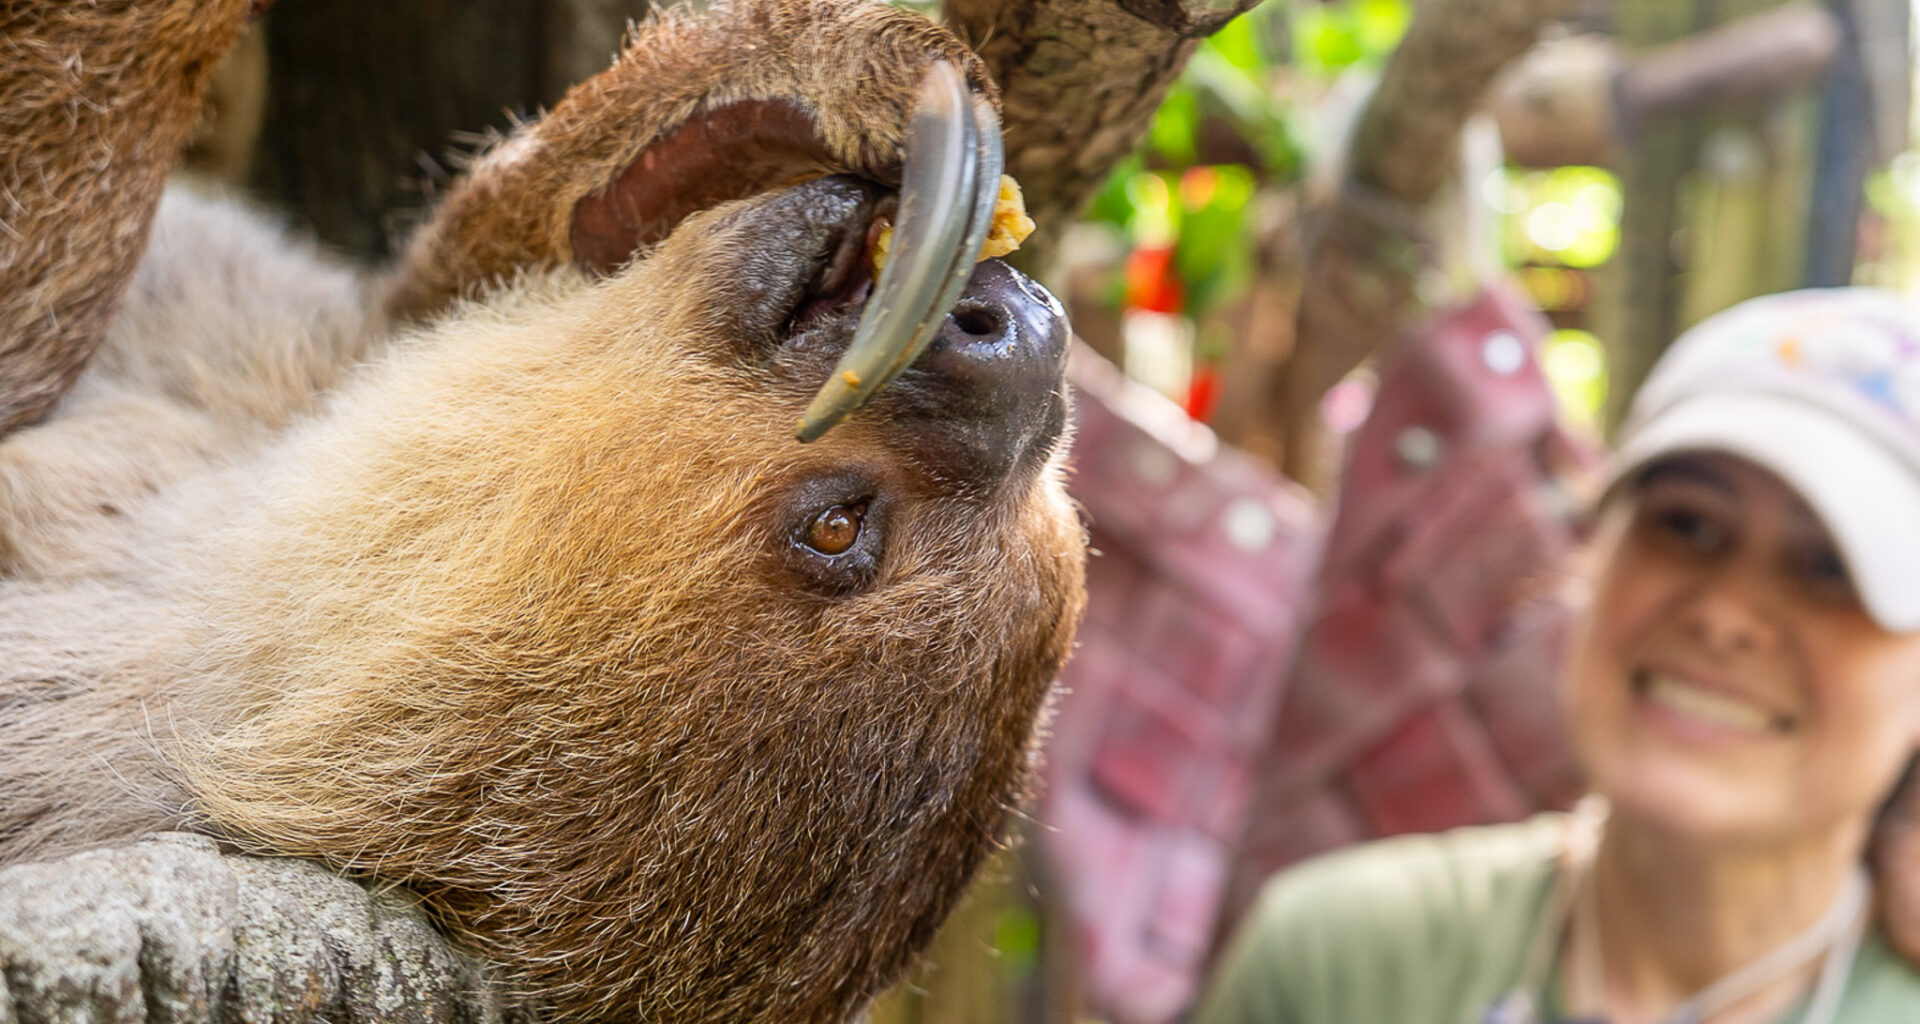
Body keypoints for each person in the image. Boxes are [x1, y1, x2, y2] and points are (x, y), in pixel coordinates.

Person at [1193, 287, 1920, 1024]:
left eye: (1830, 569)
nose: (1724, 615)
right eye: (1689, 525)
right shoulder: (1342, 963)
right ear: (1591, 560)